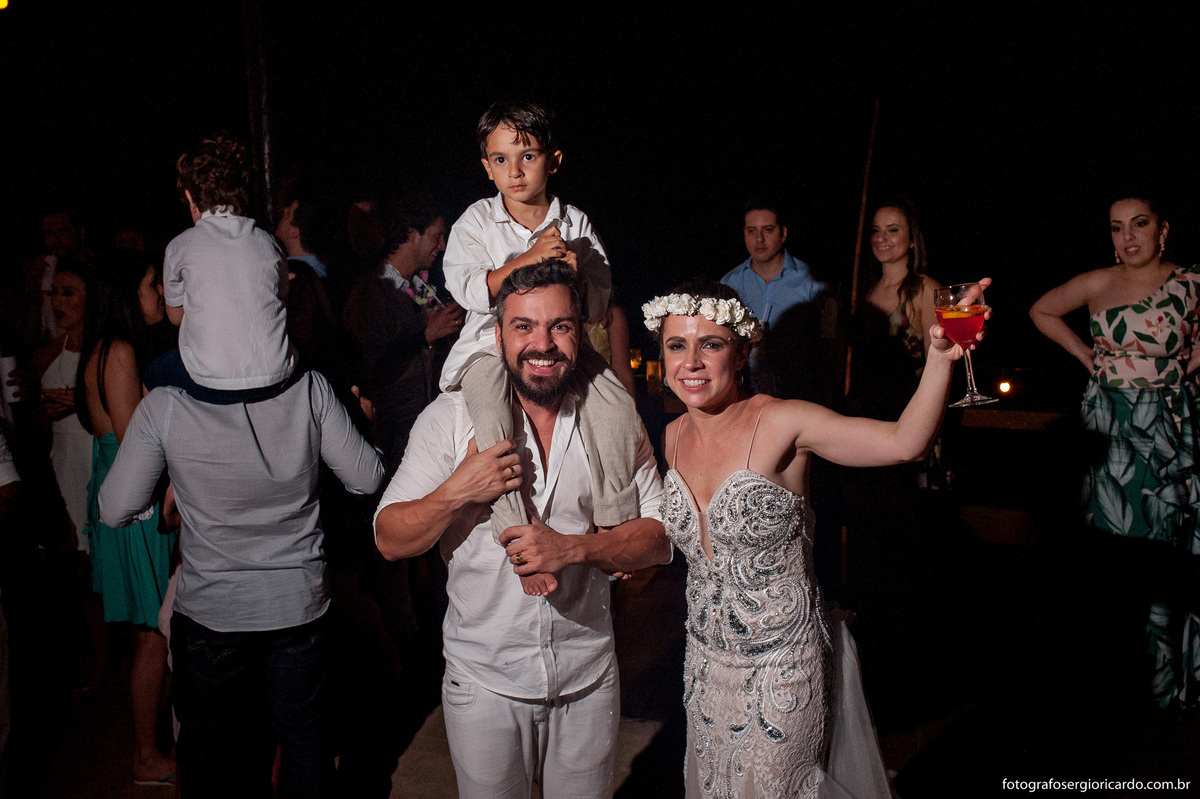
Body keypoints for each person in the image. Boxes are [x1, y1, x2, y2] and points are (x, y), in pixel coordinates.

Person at [645, 278, 988, 797]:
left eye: (710, 344)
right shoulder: (672, 436)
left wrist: (940, 358)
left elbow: (905, 442)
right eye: (677, 345)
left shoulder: (784, 421)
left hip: (782, 668)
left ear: (740, 353)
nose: (691, 361)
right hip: (704, 666)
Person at [375, 261, 671, 799]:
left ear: (580, 332)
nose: (543, 344)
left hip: (587, 679)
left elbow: (659, 536)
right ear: (498, 336)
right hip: (485, 682)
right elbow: (389, 538)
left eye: (560, 326)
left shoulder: (613, 418)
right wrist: (457, 490)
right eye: (524, 326)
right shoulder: (451, 419)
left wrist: (576, 549)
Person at [98, 325, 384, 797]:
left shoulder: (166, 399)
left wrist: (169, 494)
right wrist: (365, 428)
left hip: (213, 608)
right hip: (295, 604)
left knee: (212, 754)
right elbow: (366, 478)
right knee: (303, 743)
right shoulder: (309, 386)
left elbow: (114, 508)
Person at [440, 98, 641, 596]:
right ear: (486, 167)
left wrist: (575, 272)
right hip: (488, 349)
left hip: (563, 348)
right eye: (501, 159)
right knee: (493, 419)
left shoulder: (576, 224)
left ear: (553, 160)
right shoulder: (476, 221)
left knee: (616, 404)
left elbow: (597, 304)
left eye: (527, 156)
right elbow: (469, 290)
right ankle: (514, 526)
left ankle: (614, 519)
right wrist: (527, 259)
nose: (515, 171)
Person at [1030, 194, 1199, 709]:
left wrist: (1189, 365)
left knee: (1163, 550)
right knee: (1106, 548)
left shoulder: (1191, 281)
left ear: (1162, 230)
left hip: (1164, 428)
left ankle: (1164, 681)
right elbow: (1041, 310)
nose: (1127, 237)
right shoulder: (1097, 282)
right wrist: (1083, 353)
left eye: (1139, 224)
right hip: (1106, 427)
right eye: (1117, 227)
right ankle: (1114, 674)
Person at [76, 251, 176, 785]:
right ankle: (145, 755)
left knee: (155, 630)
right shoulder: (117, 352)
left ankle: (151, 746)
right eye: (151, 285)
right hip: (136, 507)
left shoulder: (113, 349)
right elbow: (136, 442)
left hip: (127, 497)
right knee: (153, 633)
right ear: (126, 297)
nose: (160, 293)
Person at [164, 131, 295, 391]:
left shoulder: (179, 246)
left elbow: (176, 317)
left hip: (211, 381)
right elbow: (280, 298)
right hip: (277, 372)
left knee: (154, 373)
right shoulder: (268, 242)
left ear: (190, 198)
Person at [33, 259, 93, 552]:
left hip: (96, 459)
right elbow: (38, 429)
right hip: (64, 465)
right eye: (53, 293)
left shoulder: (107, 351)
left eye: (67, 293)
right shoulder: (46, 355)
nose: (57, 301)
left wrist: (83, 404)